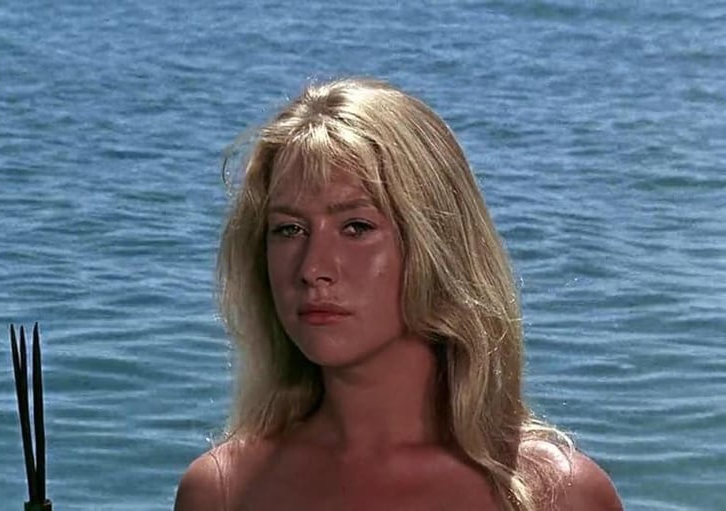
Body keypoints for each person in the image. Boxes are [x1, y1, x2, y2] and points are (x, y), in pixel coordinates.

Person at [174, 78, 623, 511]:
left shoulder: (556, 495)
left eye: (357, 227)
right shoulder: (223, 492)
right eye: (289, 229)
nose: (312, 269)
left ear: (437, 243)